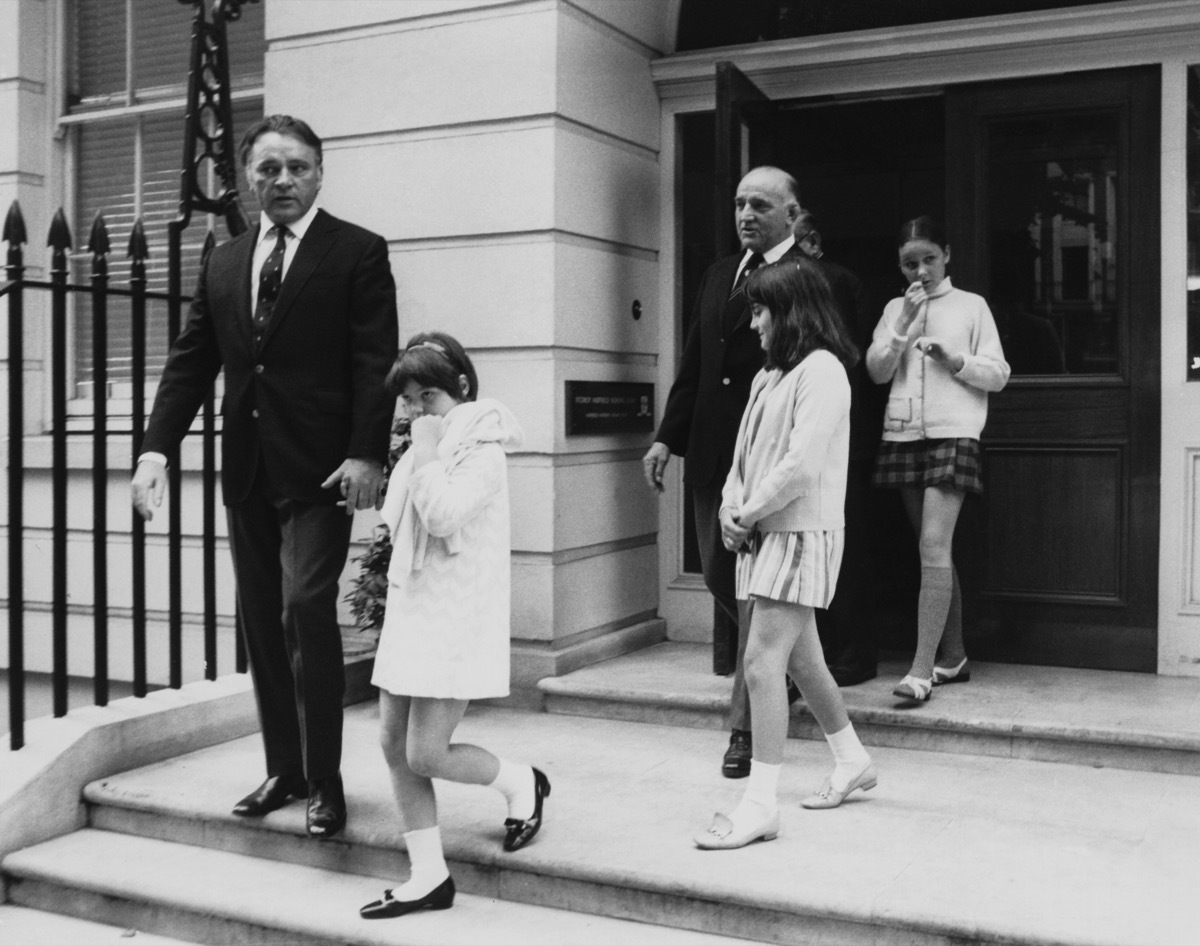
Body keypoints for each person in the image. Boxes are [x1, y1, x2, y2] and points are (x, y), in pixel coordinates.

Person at [131, 115, 398, 839]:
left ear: (319, 173)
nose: (282, 180)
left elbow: (376, 360)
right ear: (245, 177)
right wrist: (155, 451)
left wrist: (367, 453)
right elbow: (193, 361)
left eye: (297, 167)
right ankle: (284, 768)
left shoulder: (358, 252)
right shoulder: (224, 260)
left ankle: (324, 779)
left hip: (322, 471)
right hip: (247, 468)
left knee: (306, 609)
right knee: (262, 622)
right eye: (268, 168)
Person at [359, 332, 547, 920]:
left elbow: (441, 515)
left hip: (456, 615)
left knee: (426, 753)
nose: (416, 412)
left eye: (428, 397)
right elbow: (399, 521)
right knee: (393, 742)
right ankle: (429, 876)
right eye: (408, 401)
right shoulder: (432, 445)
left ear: (462, 388)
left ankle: (522, 782)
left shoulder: (483, 446)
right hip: (415, 606)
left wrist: (426, 450)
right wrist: (423, 451)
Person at [694, 257, 876, 851]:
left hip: (799, 534)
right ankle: (851, 760)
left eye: (760, 309)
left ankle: (758, 805)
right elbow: (744, 460)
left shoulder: (824, 371)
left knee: (760, 664)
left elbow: (801, 465)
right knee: (802, 662)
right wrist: (729, 506)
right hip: (764, 533)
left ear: (791, 310)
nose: (753, 324)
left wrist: (746, 514)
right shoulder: (768, 377)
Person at [644, 166, 809, 780]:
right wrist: (668, 437)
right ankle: (788, 673)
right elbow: (695, 361)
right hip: (714, 454)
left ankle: (743, 725)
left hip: (767, 460)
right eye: (739, 203)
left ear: (791, 214)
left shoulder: (805, 280)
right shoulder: (719, 274)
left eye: (760, 205)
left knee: (747, 590)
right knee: (720, 576)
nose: (745, 214)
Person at [865, 216, 1010, 703]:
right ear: (900, 267)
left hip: (955, 435)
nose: (920, 271)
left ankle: (922, 671)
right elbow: (877, 371)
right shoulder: (893, 309)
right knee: (934, 553)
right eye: (910, 263)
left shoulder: (972, 306)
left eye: (929, 259)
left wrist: (955, 360)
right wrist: (903, 324)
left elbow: (999, 374)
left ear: (946, 254)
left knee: (932, 545)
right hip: (905, 436)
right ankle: (954, 656)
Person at [793, 209, 882, 687]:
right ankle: (847, 655)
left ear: (809, 242)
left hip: (814, 433)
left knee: (811, 546)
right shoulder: (845, 281)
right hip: (850, 432)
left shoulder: (807, 281)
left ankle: (820, 656)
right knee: (847, 546)